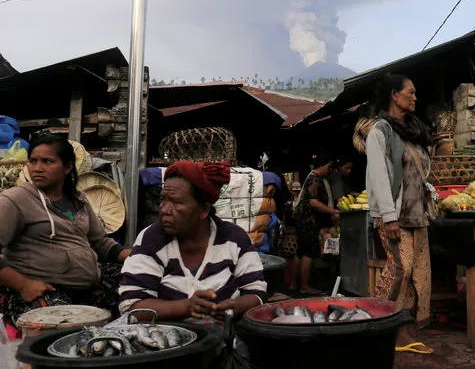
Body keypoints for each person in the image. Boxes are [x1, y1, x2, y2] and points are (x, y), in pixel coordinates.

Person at [0, 135, 130, 327]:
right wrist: (23, 284)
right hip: (42, 288)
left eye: (47, 161)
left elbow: (101, 244)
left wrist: (135, 257)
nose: (37, 168)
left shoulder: (78, 200)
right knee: (61, 325)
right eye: (33, 161)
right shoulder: (16, 200)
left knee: (136, 287)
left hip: (88, 283)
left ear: (68, 167)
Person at [119, 161, 266, 323]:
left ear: (204, 210)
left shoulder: (234, 238)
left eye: (176, 202)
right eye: (163, 200)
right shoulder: (152, 239)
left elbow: (256, 293)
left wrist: (236, 306)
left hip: (224, 340)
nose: (164, 210)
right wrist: (187, 307)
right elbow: (132, 307)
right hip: (168, 343)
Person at [366, 74, 438, 354]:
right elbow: (379, 177)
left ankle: (402, 330)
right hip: (394, 216)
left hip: (416, 215)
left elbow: (418, 173)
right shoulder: (379, 132)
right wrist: (388, 217)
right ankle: (377, 325)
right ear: (395, 95)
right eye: (411, 92)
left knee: (415, 275)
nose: (415, 97)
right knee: (400, 269)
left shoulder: (413, 131)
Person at [289, 153, 340, 295]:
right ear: (321, 165)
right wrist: (332, 211)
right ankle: (305, 287)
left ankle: (294, 284)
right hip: (308, 221)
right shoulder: (315, 179)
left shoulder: (311, 176)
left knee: (300, 252)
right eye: (328, 167)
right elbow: (314, 202)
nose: (329, 170)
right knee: (309, 252)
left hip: (301, 220)